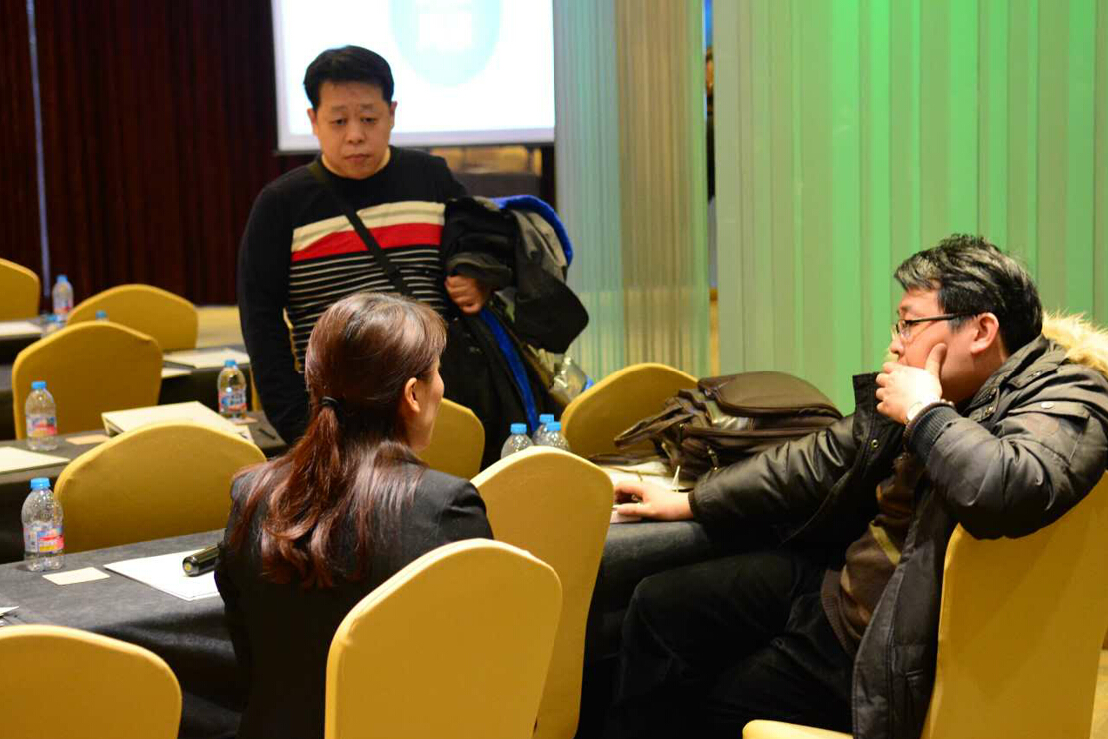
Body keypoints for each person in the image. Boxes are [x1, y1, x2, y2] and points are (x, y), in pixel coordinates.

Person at [606, 235, 1108, 738]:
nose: (897, 342)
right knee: (658, 604)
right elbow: (820, 457)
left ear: (981, 331)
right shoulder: (949, 389)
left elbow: (1008, 488)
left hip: (887, 639)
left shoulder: (1071, 395)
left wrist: (923, 412)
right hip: (839, 586)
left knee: (715, 703)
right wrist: (692, 501)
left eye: (909, 323)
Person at [216, 291, 493, 739]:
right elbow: (479, 672)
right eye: (438, 372)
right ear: (413, 394)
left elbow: (248, 662)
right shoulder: (446, 509)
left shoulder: (251, 494)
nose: (442, 387)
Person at [238, 45, 491, 444]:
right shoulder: (281, 204)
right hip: (334, 416)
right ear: (313, 121)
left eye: (369, 118)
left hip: (439, 410)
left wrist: (478, 278)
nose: (355, 135)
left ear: (392, 113)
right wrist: (297, 422)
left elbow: (478, 245)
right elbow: (260, 322)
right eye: (338, 121)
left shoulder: (431, 179)